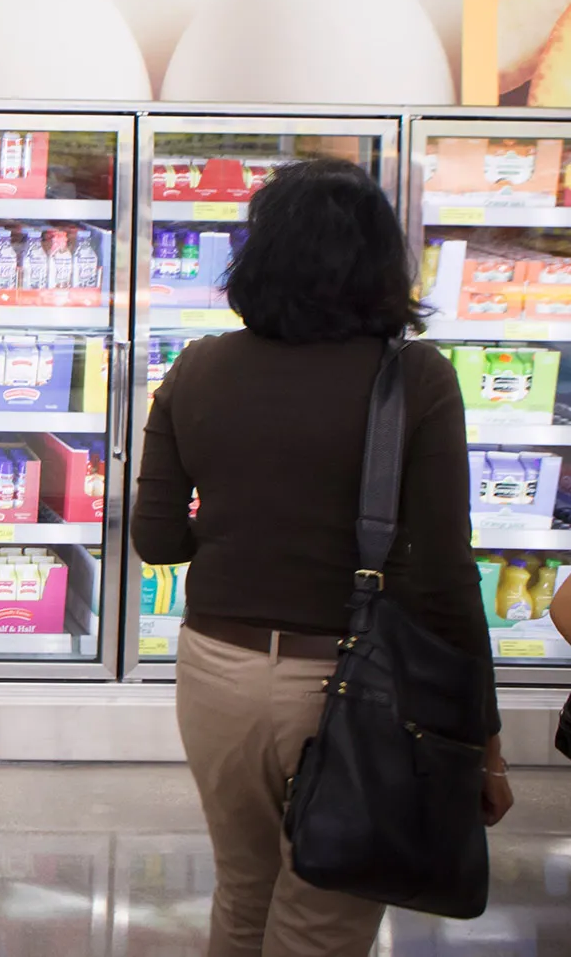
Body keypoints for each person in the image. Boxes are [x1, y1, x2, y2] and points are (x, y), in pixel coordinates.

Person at [135, 159, 508, 957]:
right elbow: (444, 577)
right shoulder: (416, 380)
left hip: (216, 672)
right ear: (380, 261)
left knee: (242, 891)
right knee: (324, 917)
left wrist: (241, 531)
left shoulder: (198, 366)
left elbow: (157, 539)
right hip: (351, 681)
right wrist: (482, 730)